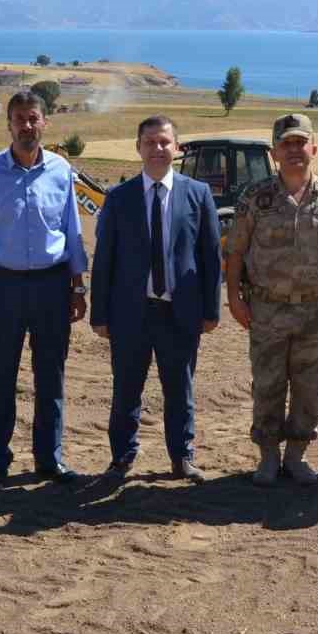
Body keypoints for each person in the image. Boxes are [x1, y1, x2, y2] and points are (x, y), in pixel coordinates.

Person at [0, 91, 89, 491]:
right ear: (9, 124)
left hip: (52, 286)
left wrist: (77, 285)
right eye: (20, 119)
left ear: (44, 123)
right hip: (2, 286)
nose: (27, 126)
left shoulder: (60, 170)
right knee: (0, 375)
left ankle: (49, 459)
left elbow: (71, 230)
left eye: (34, 118)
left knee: (50, 375)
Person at [224, 113, 318, 487]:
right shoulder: (255, 198)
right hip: (266, 308)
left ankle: (297, 454)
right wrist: (234, 297)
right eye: (287, 144)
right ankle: (268, 455)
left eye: (301, 143)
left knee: (310, 385)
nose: (294, 150)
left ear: (313, 148)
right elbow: (235, 251)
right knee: (267, 384)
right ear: (274, 153)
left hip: (317, 310)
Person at [90, 115, 222, 483]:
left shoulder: (198, 194)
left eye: (165, 142)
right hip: (130, 314)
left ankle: (182, 457)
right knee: (126, 389)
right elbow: (105, 261)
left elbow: (211, 256)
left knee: (180, 390)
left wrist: (211, 310)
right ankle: (121, 457)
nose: (157, 149)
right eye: (150, 142)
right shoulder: (118, 199)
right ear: (138, 148)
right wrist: (100, 315)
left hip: (179, 314)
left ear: (177, 148)